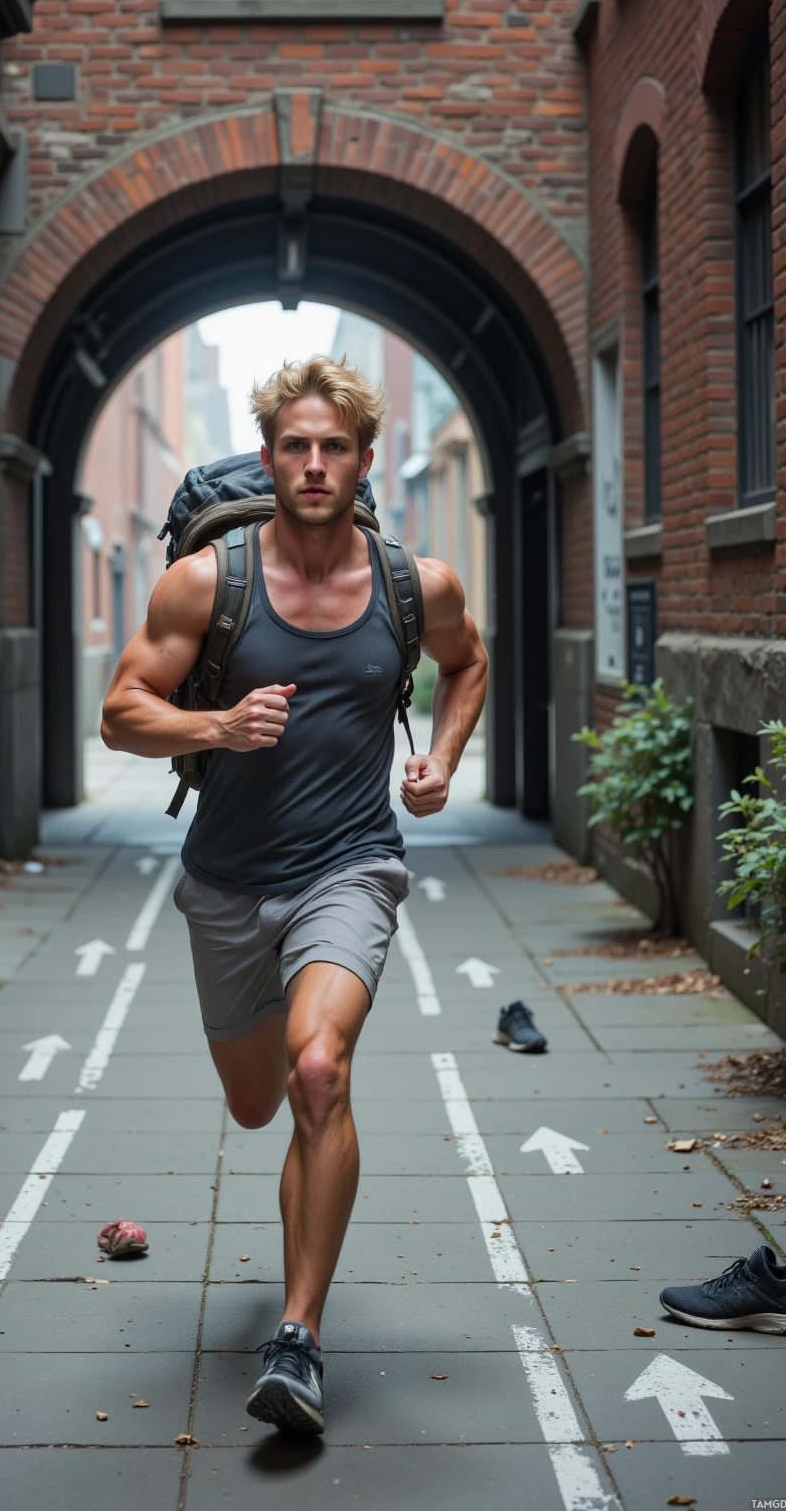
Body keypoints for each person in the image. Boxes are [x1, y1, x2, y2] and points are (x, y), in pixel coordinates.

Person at [102, 356, 488, 1434]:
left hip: (349, 867)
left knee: (318, 1073)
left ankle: (298, 1337)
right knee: (255, 1101)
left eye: (334, 448)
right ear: (268, 457)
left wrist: (443, 761)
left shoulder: (416, 585)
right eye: (295, 446)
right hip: (226, 884)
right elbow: (121, 712)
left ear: (363, 462)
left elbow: (468, 664)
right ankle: (284, 1121)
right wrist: (217, 726)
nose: (314, 464)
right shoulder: (205, 584)